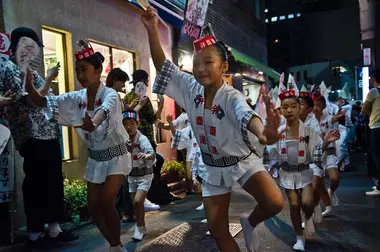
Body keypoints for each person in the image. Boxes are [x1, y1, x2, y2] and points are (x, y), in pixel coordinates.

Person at [142, 7, 284, 252]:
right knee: (219, 233)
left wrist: (263, 133)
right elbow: (164, 66)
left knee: (274, 202)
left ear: (224, 66)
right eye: (196, 64)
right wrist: (153, 28)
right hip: (212, 167)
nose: (200, 69)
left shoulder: (231, 96)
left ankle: (249, 222)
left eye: (208, 62)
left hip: (241, 159)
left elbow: (246, 116)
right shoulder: (189, 87)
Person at [24, 39, 130, 252]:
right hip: (96, 158)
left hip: (117, 155)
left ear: (98, 70)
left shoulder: (110, 94)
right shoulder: (76, 98)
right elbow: (43, 101)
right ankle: (115, 245)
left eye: (85, 69)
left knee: (107, 200)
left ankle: (116, 245)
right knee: (93, 207)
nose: (81, 75)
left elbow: (105, 110)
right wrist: (28, 84)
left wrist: (94, 123)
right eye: (77, 71)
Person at [0, 27, 78, 249]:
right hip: (31, 134)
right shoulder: (10, 69)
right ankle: (34, 234)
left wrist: (46, 83)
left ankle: (54, 230)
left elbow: (44, 97)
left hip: (47, 132)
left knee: (52, 180)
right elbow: (32, 101)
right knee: (36, 182)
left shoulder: (27, 69)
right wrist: (49, 80)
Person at [275, 89, 339, 251]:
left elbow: (316, 155)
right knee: (294, 205)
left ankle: (309, 216)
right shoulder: (279, 132)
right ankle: (299, 238)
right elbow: (269, 153)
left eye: (293, 106)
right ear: (281, 110)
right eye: (285, 107)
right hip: (287, 174)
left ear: (299, 108)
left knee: (307, 203)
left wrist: (325, 143)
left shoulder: (309, 131)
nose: (289, 110)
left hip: (305, 173)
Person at [123, 109, 156, 241]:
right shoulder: (123, 139)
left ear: (138, 124)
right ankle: (142, 227)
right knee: (136, 204)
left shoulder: (142, 138)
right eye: (125, 124)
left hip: (144, 176)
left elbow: (152, 154)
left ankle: (138, 228)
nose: (128, 127)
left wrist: (146, 155)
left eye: (132, 123)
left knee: (138, 201)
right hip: (131, 176)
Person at [313, 96, 344, 216]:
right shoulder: (310, 121)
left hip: (329, 153)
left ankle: (332, 190)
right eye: (314, 105)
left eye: (318, 105)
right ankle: (324, 207)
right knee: (317, 185)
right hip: (317, 155)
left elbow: (334, 119)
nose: (316, 108)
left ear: (324, 107)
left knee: (334, 178)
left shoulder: (328, 119)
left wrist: (339, 115)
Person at [298, 90, 323, 223]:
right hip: (296, 164)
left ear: (309, 109)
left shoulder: (312, 123)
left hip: (313, 161)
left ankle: (315, 204)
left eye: (301, 104)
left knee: (314, 189)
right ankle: (306, 217)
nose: (297, 106)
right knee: (300, 197)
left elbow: (318, 146)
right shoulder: (289, 121)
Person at [362, 68, 380, 196]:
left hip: (376, 128)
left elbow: (364, 109)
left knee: (376, 156)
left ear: (373, 79)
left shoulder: (374, 91)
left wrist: (369, 114)